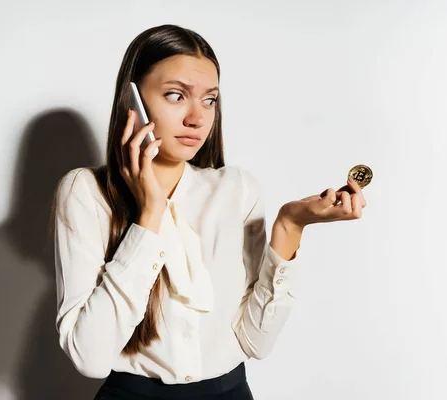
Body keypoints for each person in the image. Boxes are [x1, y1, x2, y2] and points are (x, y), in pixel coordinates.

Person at [52, 24, 367, 400]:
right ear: (132, 101)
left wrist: (290, 226)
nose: (196, 118)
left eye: (209, 100)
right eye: (175, 95)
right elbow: (89, 357)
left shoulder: (237, 190)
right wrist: (149, 214)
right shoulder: (86, 192)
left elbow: (256, 342)